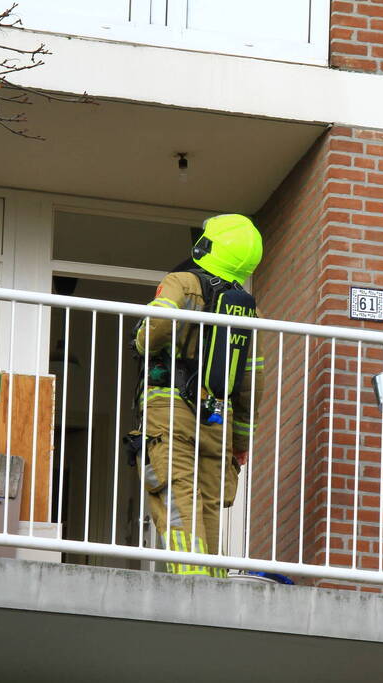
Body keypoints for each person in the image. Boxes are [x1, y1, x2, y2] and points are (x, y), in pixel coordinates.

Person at [133, 213, 265, 577]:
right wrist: (239, 443)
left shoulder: (183, 282)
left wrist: (141, 338)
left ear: (208, 246)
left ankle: (190, 580)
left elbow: (155, 329)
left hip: (169, 407)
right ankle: (214, 582)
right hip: (218, 418)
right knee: (207, 502)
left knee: (176, 492)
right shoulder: (247, 309)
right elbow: (253, 384)